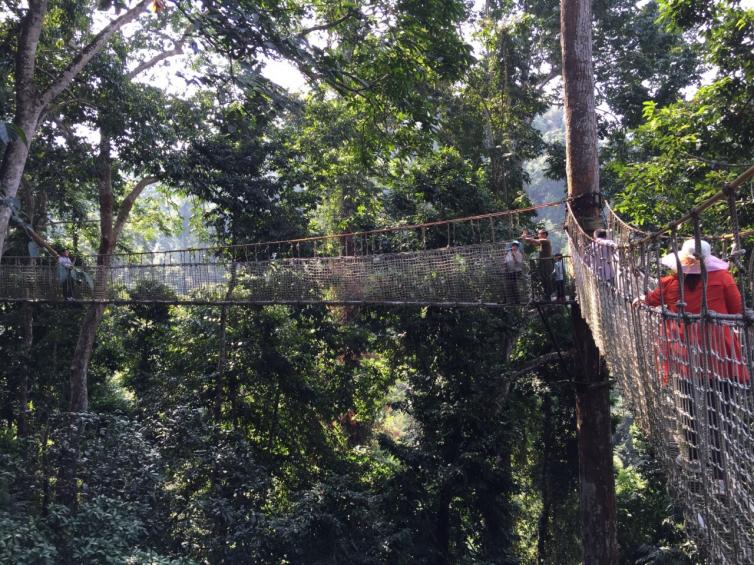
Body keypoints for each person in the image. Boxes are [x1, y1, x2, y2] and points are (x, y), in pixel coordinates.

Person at [635, 239, 748, 489]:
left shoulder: (671, 283)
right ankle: (719, 476)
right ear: (708, 260)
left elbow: (652, 300)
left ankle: (694, 461)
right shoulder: (723, 279)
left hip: (686, 355)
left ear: (682, 261)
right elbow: (737, 310)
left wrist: (639, 300)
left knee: (687, 405)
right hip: (721, 355)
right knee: (720, 414)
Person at [521, 228, 553, 301]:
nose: (538, 235)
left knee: (547, 279)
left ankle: (548, 297)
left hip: (547, 263)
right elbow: (531, 242)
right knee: (544, 279)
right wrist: (525, 238)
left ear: (544, 234)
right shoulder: (542, 242)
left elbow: (533, 240)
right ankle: (546, 296)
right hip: (543, 263)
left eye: (539, 233)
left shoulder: (545, 241)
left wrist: (525, 236)